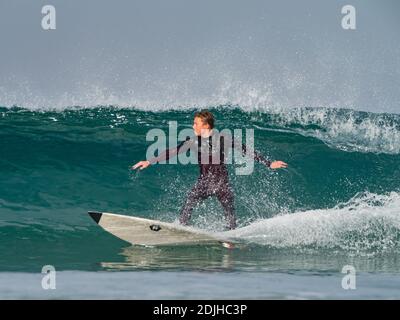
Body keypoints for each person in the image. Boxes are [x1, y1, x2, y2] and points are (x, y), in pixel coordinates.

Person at [132, 110, 287, 230]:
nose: (193, 126)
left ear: (206, 125)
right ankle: (182, 229)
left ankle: (231, 237)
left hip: (220, 183)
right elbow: (174, 151)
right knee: (189, 203)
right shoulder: (192, 141)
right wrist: (150, 161)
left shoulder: (222, 138)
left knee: (229, 213)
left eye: (196, 124)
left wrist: (268, 163)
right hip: (205, 182)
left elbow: (244, 149)